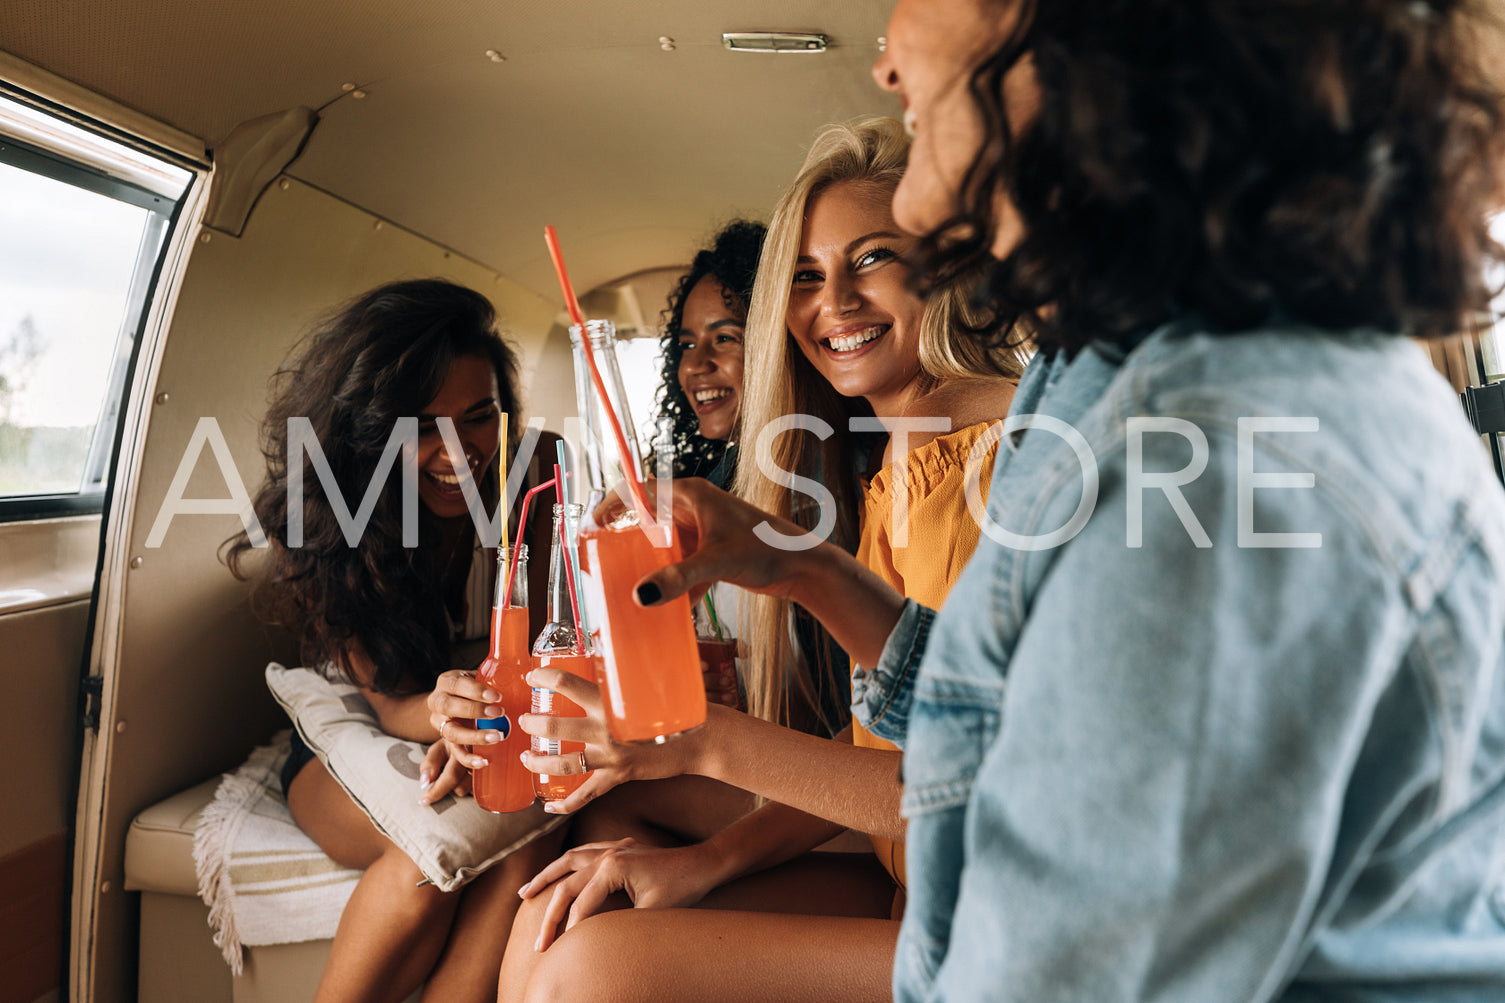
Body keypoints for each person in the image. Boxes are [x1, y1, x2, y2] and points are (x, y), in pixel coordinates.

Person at [607, 1, 1505, 1001]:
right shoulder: (1096, 375)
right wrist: (799, 566)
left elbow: (1058, 967)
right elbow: (1008, 713)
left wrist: (698, 738)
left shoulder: (1199, 453)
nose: (883, 68)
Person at [429, 117, 1025, 1002]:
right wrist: (706, 860)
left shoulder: (1003, 455)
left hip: (1005, 926)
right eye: (808, 277)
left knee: (587, 973)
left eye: (869, 260)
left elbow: (985, 781)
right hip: (916, 885)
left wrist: (703, 743)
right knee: (562, 906)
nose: (834, 305)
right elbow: (885, 736)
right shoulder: (901, 456)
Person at [224, 278, 560, 1003]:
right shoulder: (328, 517)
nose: (457, 451)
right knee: (419, 865)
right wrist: (444, 711)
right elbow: (387, 702)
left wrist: (480, 717)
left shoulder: (534, 474)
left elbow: (545, 637)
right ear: (372, 431)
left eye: (478, 417)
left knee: (528, 838)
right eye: (419, 427)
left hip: (492, 720)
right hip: (355, 724)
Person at [655, 219, 765, 490]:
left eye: (725, 338)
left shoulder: (825, 471)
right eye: (687, 345)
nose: (694, 366)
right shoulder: (725, 476)